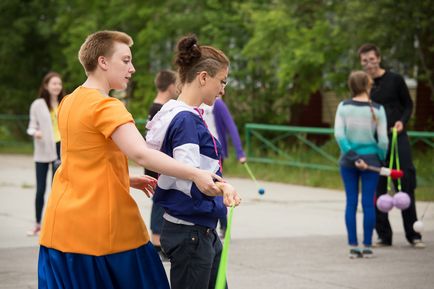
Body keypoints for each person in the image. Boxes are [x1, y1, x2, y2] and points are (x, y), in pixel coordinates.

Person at [38, 30, 228, 289]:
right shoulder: (107, 106)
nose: (132, 68)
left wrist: (124, 178)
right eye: (126, 60)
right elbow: (141, 153)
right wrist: (195, 174)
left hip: (60, 229)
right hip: (104, 234)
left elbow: (79, 162)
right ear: (103, 62)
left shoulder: (69, 102)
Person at [146, 34, 241, 289]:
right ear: (203, 77)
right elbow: (192, 179)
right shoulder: (186, 119)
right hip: (191, 234)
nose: (223, 89)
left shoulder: (176, 112)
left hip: (200, 231)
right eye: (222, 81)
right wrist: (224, 188)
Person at [358, 43, 425, 248]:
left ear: (379, 58)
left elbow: (408, 105)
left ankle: (413, 235)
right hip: (375, 142)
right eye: (364, 61)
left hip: (397, 137)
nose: (369, 64)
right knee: (377, 187)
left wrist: (402, 121)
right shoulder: (363, 84)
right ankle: (384, 236)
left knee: (404, 183)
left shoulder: (395, 80)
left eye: (371, 59)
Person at [334, 70, 389, 258]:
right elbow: (383, 141)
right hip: (372, 161)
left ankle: (353, 246)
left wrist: (353, 156)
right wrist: (380, 158)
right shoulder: (378, 109)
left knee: (351, 203)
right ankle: (367, 246)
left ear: (351, 86)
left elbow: (339, 135)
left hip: (348, 162)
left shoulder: (343, 106)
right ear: (368, 85)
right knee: (368, 204)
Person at [144, 69, 178, 259]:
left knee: (160, 201)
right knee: (159, 202)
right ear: (171, 85)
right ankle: (157, 244)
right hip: (156, 164)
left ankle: (158, 241)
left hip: (155, 162)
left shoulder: (156, 107)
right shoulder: (159, 108)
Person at [201, 97, 246, 237]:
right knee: (203, 188)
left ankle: (223, 225)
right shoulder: (194, 101)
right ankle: (206, 223)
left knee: (217, 188)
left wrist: (240, 152)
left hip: (215, 152)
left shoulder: (217, 103)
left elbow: (231, 126)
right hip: (200, 152)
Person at [26, 72, 64, 236]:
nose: (57, 87)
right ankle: (37, 224)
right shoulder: (38, 104)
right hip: (43, 150)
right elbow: (31, 126)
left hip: (60, 149)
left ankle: (56, 224)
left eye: (59, 84)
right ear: (46, 85)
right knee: (40, 189)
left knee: (58, 189)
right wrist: (36, 133)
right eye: (54, 84)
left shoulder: (64, 102)